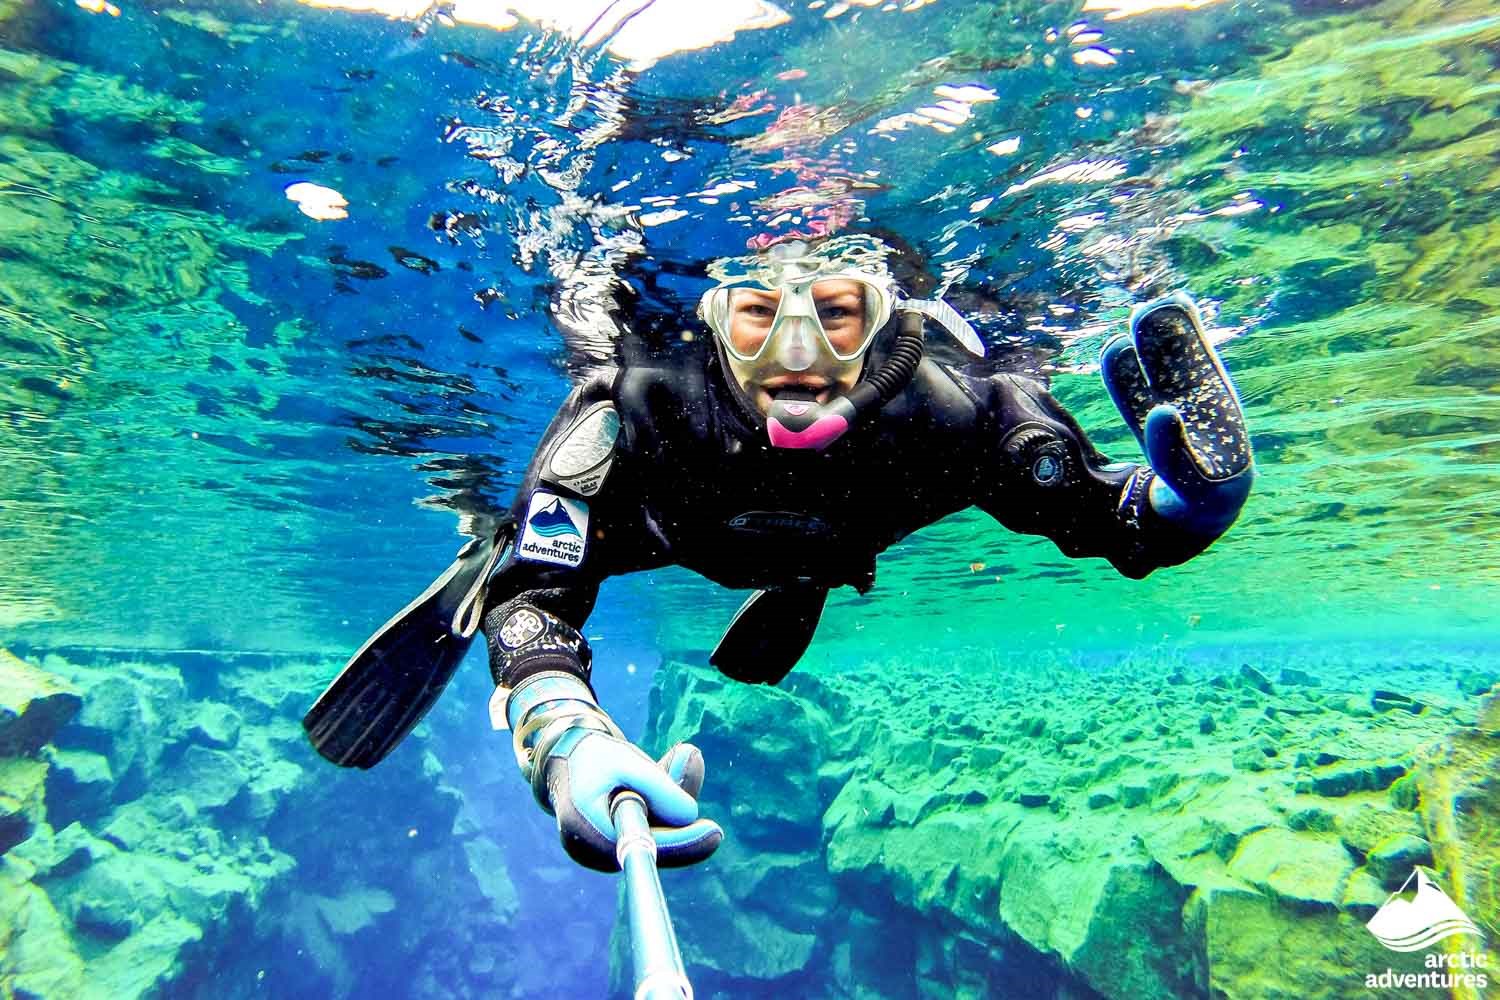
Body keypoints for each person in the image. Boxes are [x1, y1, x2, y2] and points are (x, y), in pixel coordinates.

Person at [304, 234, 1254, 874]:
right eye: (759, 314)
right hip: (656, 528)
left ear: (890, 318)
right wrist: (565, 738)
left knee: (807, 558)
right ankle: (484, 532)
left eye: (837, 314)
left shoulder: (952, 411)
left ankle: (802, 575)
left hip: (817, 552)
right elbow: (538, 604)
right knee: (525, 554)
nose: (796, 351)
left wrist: (1183, 509)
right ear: (711, 318)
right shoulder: (632, 405)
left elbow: (1106, 517)